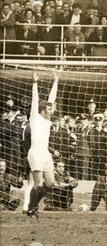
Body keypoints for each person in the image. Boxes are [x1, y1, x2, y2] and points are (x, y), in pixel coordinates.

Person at [26, 71, 59, 218]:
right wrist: (35, 83)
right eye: (50, 109)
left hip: (45, 153)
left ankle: (33, 206)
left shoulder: (48, 120)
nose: (52, 110)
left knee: (51, 183)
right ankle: (30, 208)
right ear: (43, 110)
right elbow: (35, 100)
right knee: (38, 184)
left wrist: (56, 81)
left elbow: (52, 98)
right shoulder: (35, 118)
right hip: (35, 153)